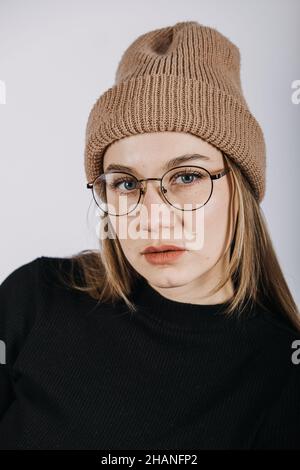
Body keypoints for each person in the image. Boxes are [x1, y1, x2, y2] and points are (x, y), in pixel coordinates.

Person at [0, 20, 299, 450]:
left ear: (242, 189)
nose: (153, 217)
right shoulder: (36, 298)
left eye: (188, 176)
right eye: (126, 183)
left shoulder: (284, 377)